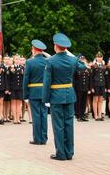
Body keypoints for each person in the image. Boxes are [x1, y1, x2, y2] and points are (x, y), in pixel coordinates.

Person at [42, 33, 85, 161]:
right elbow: (83, 67)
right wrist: (72, 56)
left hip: (56, 97)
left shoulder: (50, 61)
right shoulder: (72, 60)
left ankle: (61, 153)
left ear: (55, 46)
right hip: (69, 95)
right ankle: (69, 152)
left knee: (58, 125)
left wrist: (45, 99)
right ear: (66, 48)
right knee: (69, 124)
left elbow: (47, 82)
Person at [22, 39, 48, 145]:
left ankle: (38, 139)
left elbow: (26, 79)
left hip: (33, 92)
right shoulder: (47, 61)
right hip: (45, 91)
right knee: (44, 114)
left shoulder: (30, 62)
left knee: (36, 115)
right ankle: (44, 137)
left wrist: (25, 94)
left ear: (34, 50)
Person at [73, 55, 91, 122]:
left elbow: (89, 79)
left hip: (85, 88)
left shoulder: (87, 68)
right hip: (78, 88)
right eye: (81, 59)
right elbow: (73, 79)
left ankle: (82, 115)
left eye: (83, 59)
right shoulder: (76, 68)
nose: (82, 60)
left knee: (84, 102)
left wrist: (89, 88)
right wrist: (74, 88)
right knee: (78, 102)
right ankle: (78, 115)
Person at [91, 52, 107, 120]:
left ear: (102, 58)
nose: (99, 58)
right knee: (95, 100)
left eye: (100, 57)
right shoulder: (93, 66)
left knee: (100, 100)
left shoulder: (104, 66)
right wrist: (91, 87)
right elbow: (91, 77)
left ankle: (100, 115)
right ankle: (96, 115)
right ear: (96, 58)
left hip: (102, 85)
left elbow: (105, 77)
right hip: (96, 85)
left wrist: (105, 86)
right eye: (98, 57)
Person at [9, 54, 24, 124]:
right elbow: (9, 78)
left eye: (19, 59)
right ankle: (15, 118)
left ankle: (18, 118)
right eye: (16, 59)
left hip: (20, 88)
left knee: (19, 103)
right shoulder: (11, 68)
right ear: (14, 60)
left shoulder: (22, 68)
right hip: (13, 88)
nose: (17, 60)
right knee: (13, 103)